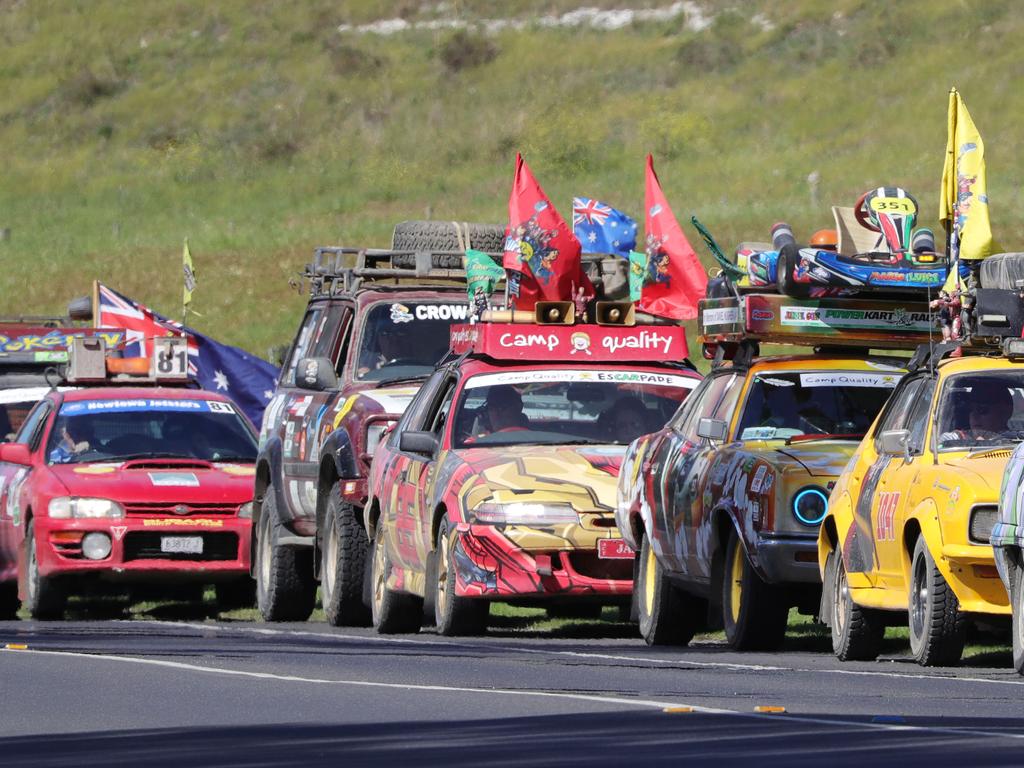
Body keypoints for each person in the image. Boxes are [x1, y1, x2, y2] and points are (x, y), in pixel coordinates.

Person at [940, 380, 1014, 443]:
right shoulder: (955, 440)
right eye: (970, 410)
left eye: (982, 410)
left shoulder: (1017, 443)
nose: (974, 416)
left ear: (1005, 412)